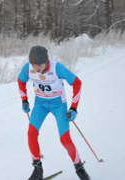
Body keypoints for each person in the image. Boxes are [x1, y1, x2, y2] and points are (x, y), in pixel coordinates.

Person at [18, 46, 90, 180]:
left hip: (59, 106)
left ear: (47, 61)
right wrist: (24, 100)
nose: (36, 68)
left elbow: (77, 83)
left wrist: (73, 107)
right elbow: (21, 81)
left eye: (39, 64)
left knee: (65, 139)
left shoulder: (57, 68)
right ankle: (37, 169)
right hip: (40, 105)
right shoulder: (28, 68)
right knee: (31, 134)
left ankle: (79, 167)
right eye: (33, 64)